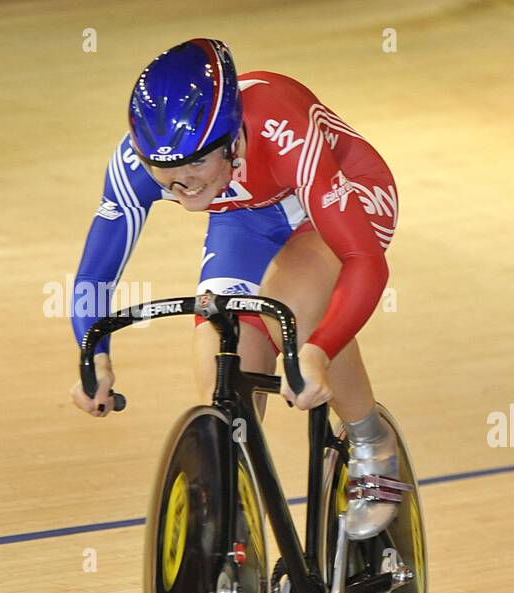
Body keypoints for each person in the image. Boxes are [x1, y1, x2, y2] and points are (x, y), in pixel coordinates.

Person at [68, 38, 400, 538]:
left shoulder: (280, 125)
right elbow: (95, 274)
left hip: (338, 194)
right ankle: (234, 512)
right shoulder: (140, 162)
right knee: (222, 355)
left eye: (195, 163)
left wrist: (318, 350)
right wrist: (94, 354)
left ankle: (372, 440)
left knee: (288, 309)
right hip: (245, 217)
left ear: (231, 141)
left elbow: (364, 261)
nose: (180, 185)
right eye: (166, 172)